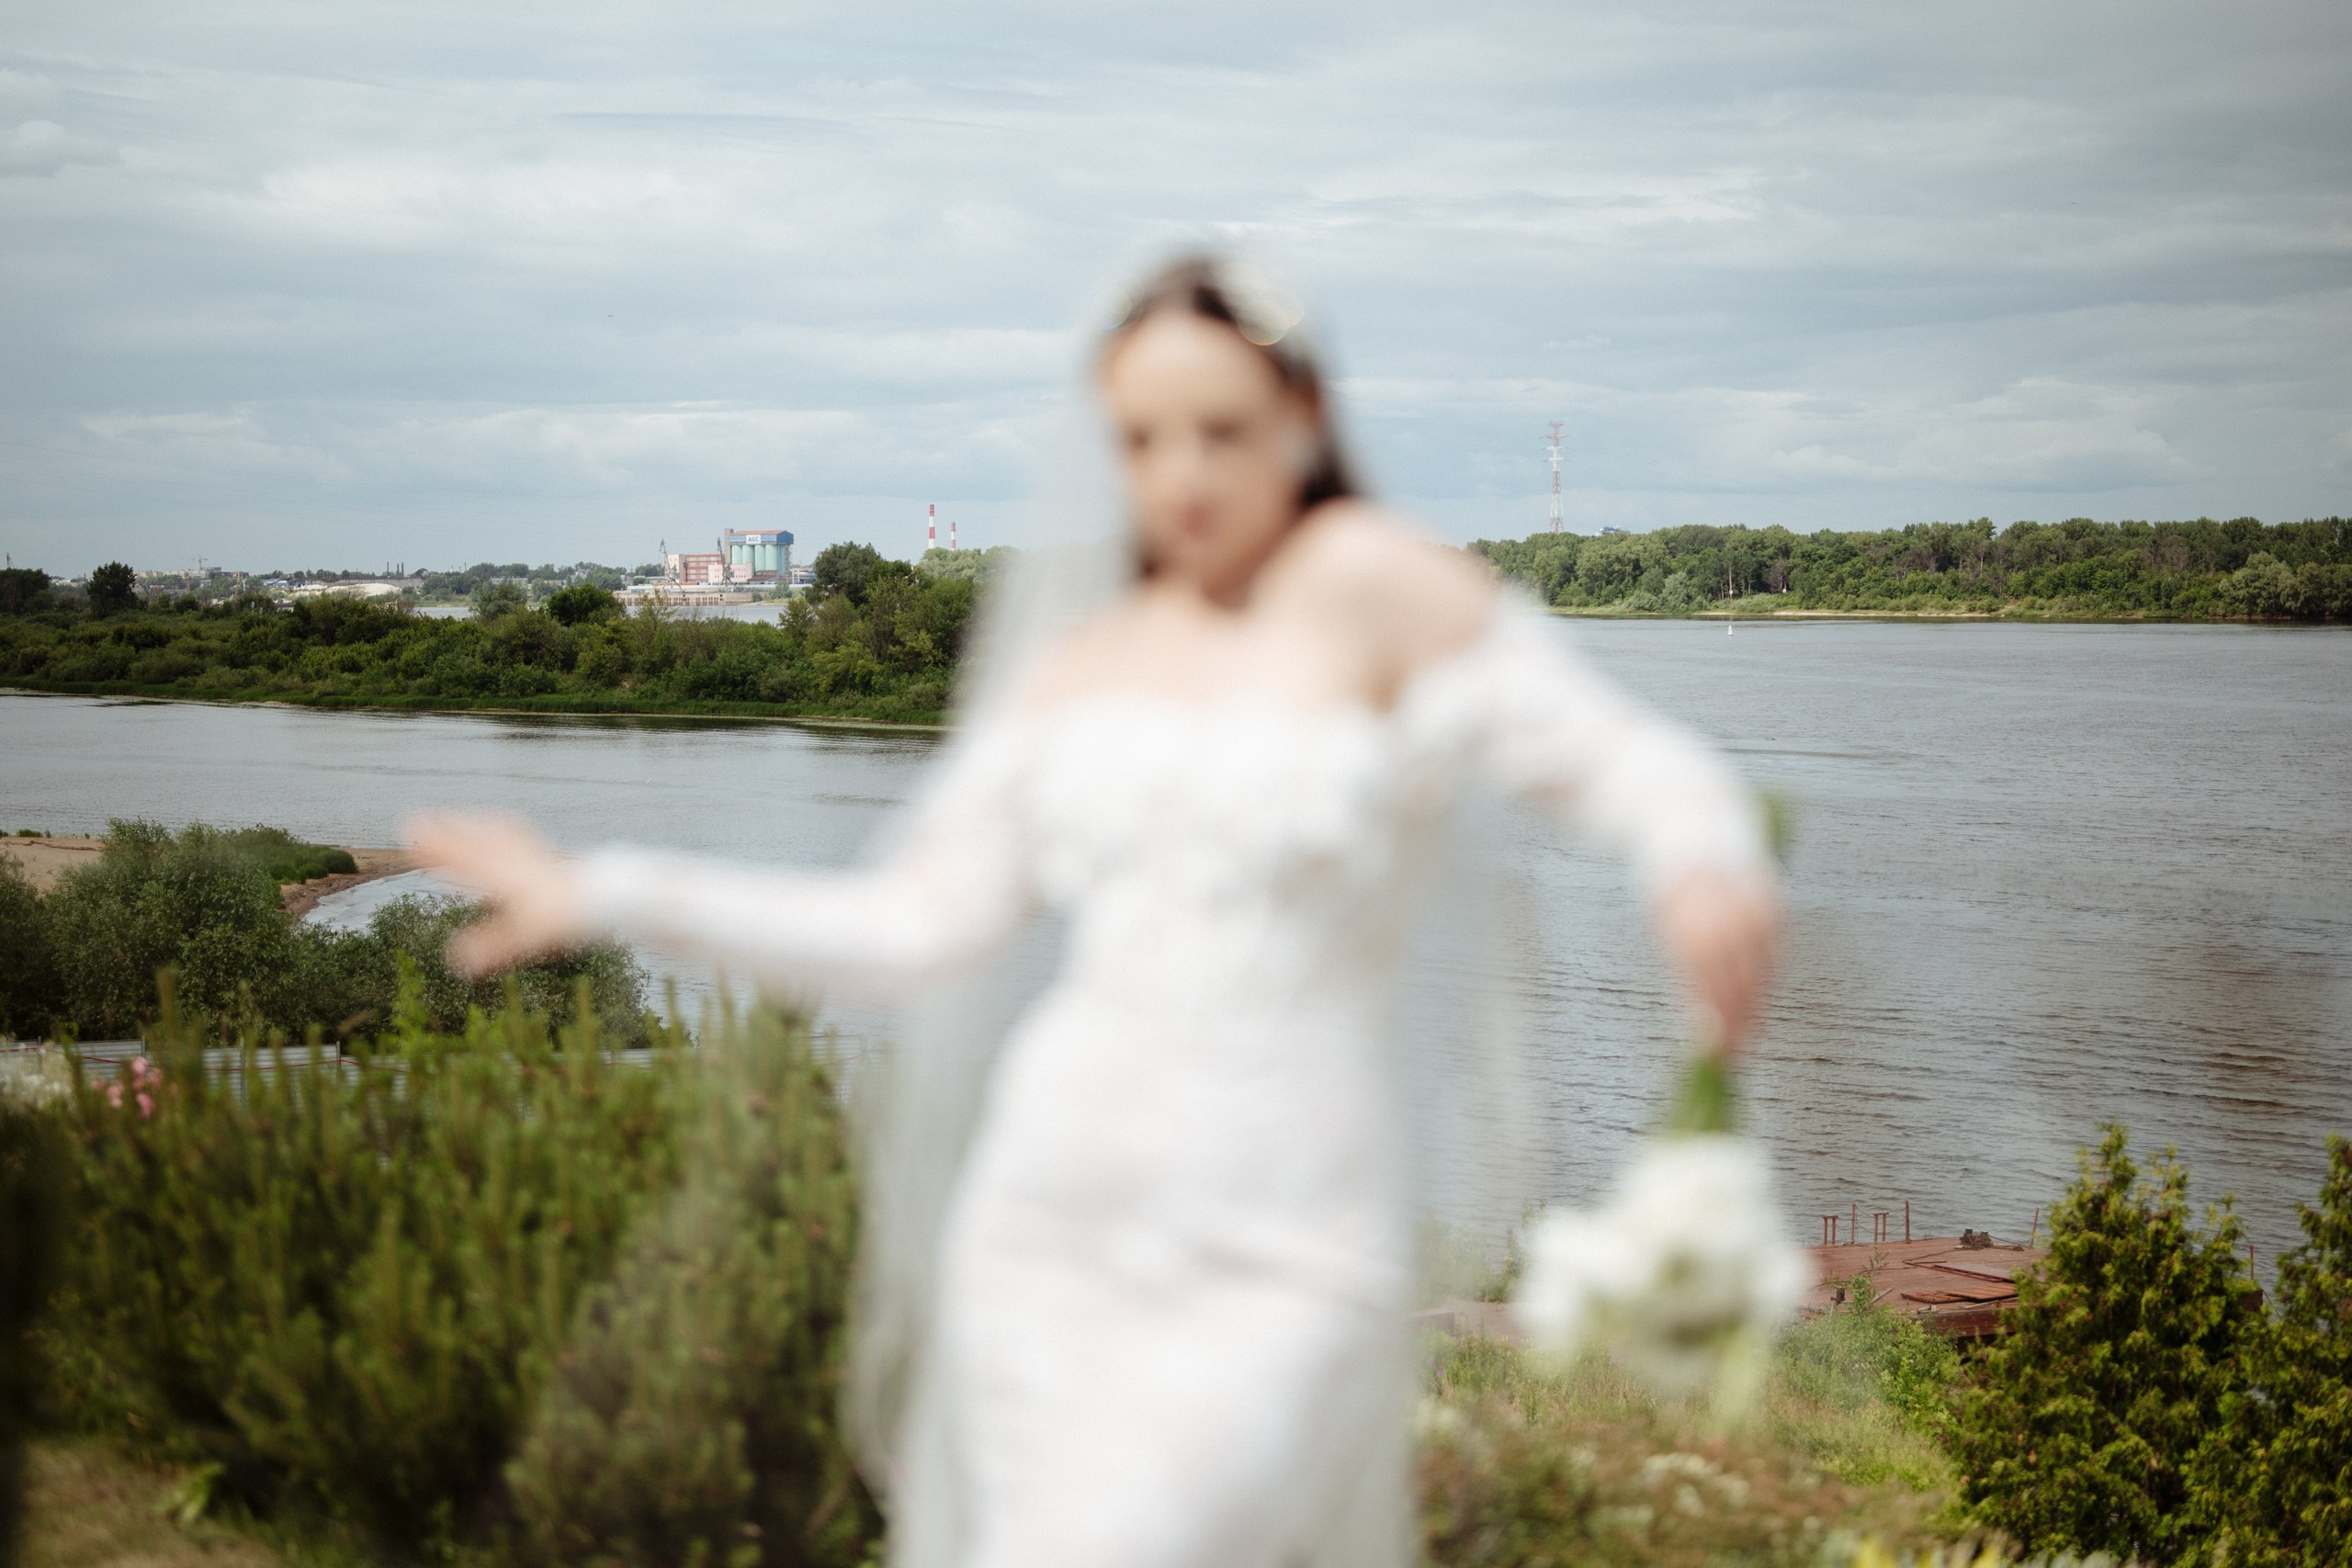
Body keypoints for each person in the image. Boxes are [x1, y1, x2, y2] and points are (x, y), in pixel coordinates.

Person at [411, 254, 1781, 1568]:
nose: (1179, 476)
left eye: (1220, 430)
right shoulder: (1083, 662)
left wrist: (1701, 856)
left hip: (1288, 1242)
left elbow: (1631, 764)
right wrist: (611, 885)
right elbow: (913, 928)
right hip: (1049, 1225)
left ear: (1303, 416)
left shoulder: (1382, 589)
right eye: (1140, 439)